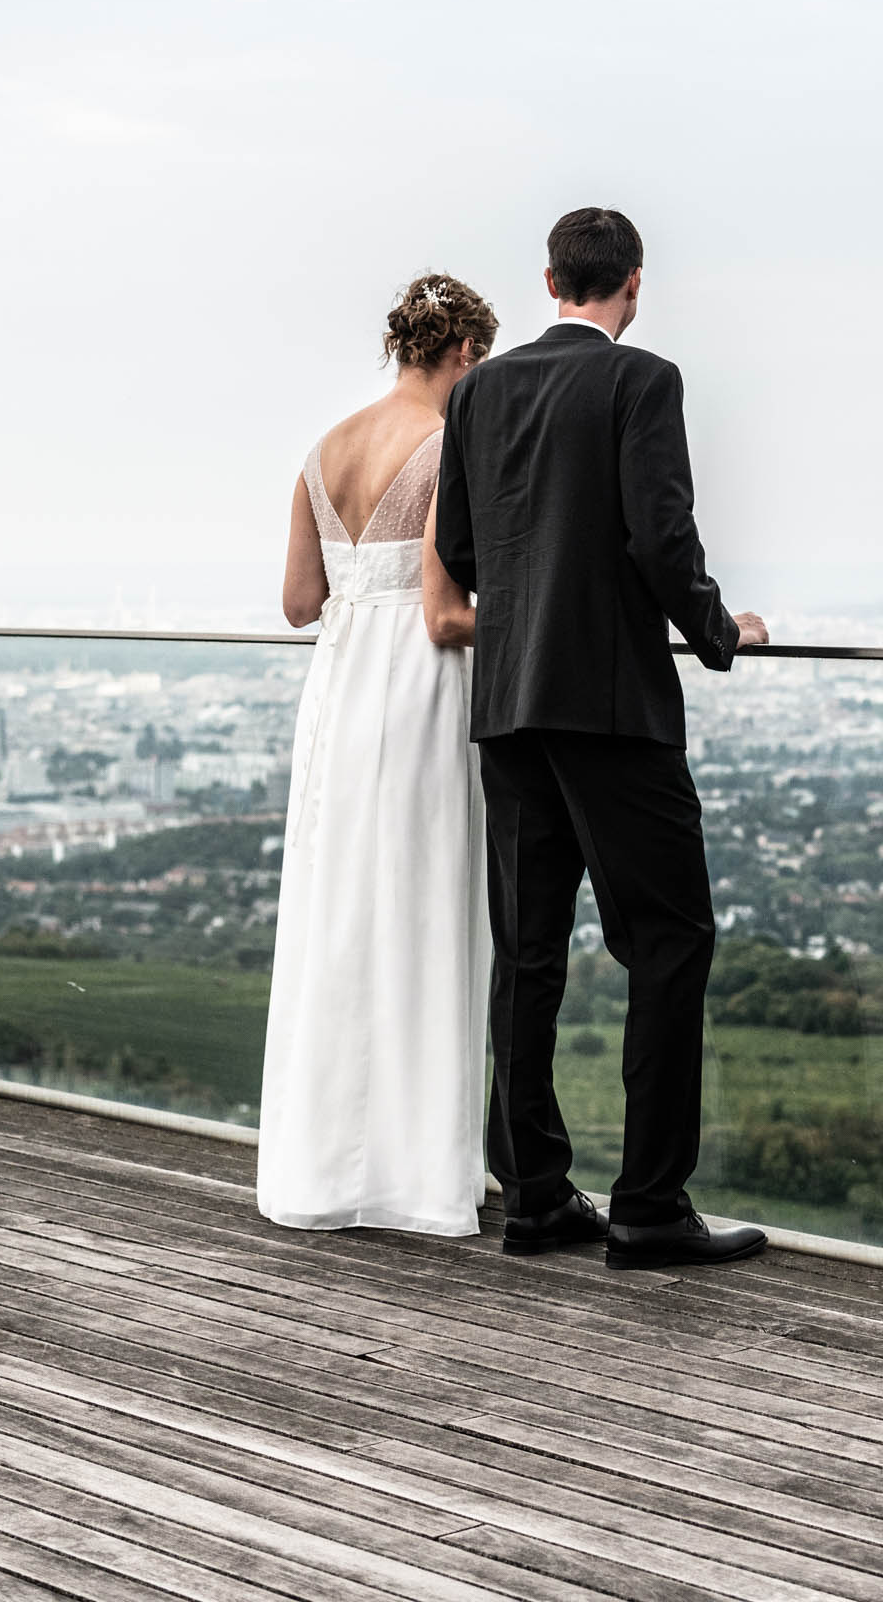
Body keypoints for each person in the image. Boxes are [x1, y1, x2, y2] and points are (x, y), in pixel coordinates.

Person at [435, 207, 771, 1270]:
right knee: (670, 941)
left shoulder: (480, 391)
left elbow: (457, 544)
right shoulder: (643, 381)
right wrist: (721, 631)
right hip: (614, 706)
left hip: (509, 706)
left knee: (528, 955)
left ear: (547, 279)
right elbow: (660, 535)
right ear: (634, 282)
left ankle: (534, 1195)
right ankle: (649, 1204)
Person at [257, 273, 500, 1235]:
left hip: (339, 689)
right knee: (424, 905)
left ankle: (325, 1162)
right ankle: (413, 1170)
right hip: (420, 688)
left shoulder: (323, 453)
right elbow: (445, 616)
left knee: (338, 913)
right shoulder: (450, 446)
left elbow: (298, 604)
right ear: (465, 356)